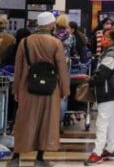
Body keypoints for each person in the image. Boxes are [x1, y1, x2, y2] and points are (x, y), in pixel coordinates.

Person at [9, 12, 70, 167]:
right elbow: (62, 68)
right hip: (50, 89)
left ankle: (16, 157)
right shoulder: (56, 43)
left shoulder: (25, 42)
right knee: (46, 122)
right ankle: (40, 159)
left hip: (28, 87)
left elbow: (18, 68)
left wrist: (16, 90)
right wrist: (65, 89)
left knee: (24, 121)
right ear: (50, 25)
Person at [84, 29, 114, 165]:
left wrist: (90, 80)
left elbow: (101, 75)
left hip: (108, 91)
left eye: (106, 37)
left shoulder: (111, 55)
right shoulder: (113, 53)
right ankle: (111, 149)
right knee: (110, 121)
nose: (103, 39)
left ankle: (97, 153)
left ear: (113, 41)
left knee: (102, 122)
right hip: (113, 90)